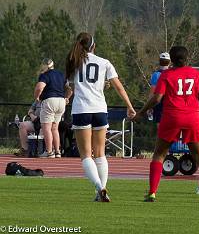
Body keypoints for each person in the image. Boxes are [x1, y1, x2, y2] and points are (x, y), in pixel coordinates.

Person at [132, 46, 199, 203]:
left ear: (171, 60)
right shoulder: (196, 74)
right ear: (187, 59)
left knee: (159, 154)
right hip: (192, 117)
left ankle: (152, 193)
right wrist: (194, 104)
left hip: (172, 116)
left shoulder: (166, 75)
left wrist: (142, 112)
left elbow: (157, 98)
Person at [65, 32, 136, 202]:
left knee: (86, 155)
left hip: (81, 110)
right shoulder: (104, 63)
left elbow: (73, 86)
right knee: (100, 154)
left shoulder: (73, 62)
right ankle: (102, 191)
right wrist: (129, 106)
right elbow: (119, 87)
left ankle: (99, 187)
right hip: (99, 109)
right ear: (93, 46)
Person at [34, 58, 66, 158]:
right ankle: (57, 151)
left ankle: (49, 151)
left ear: (45, 65)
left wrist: (37, 97)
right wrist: (67, 98)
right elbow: (70, 88)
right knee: (55, 128)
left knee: (46, 128)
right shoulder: (61, 74)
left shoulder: (45, 75)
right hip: (61, 101)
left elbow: (40, 87)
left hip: (50, 101)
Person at [146, 52, 171, 125]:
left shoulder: (156, 75)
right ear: (169, 62)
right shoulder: (173, 74)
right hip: (171, 104)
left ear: (159, 61)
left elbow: (152, 93)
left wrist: (149, 106)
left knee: (160, 128)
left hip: (159, 105)